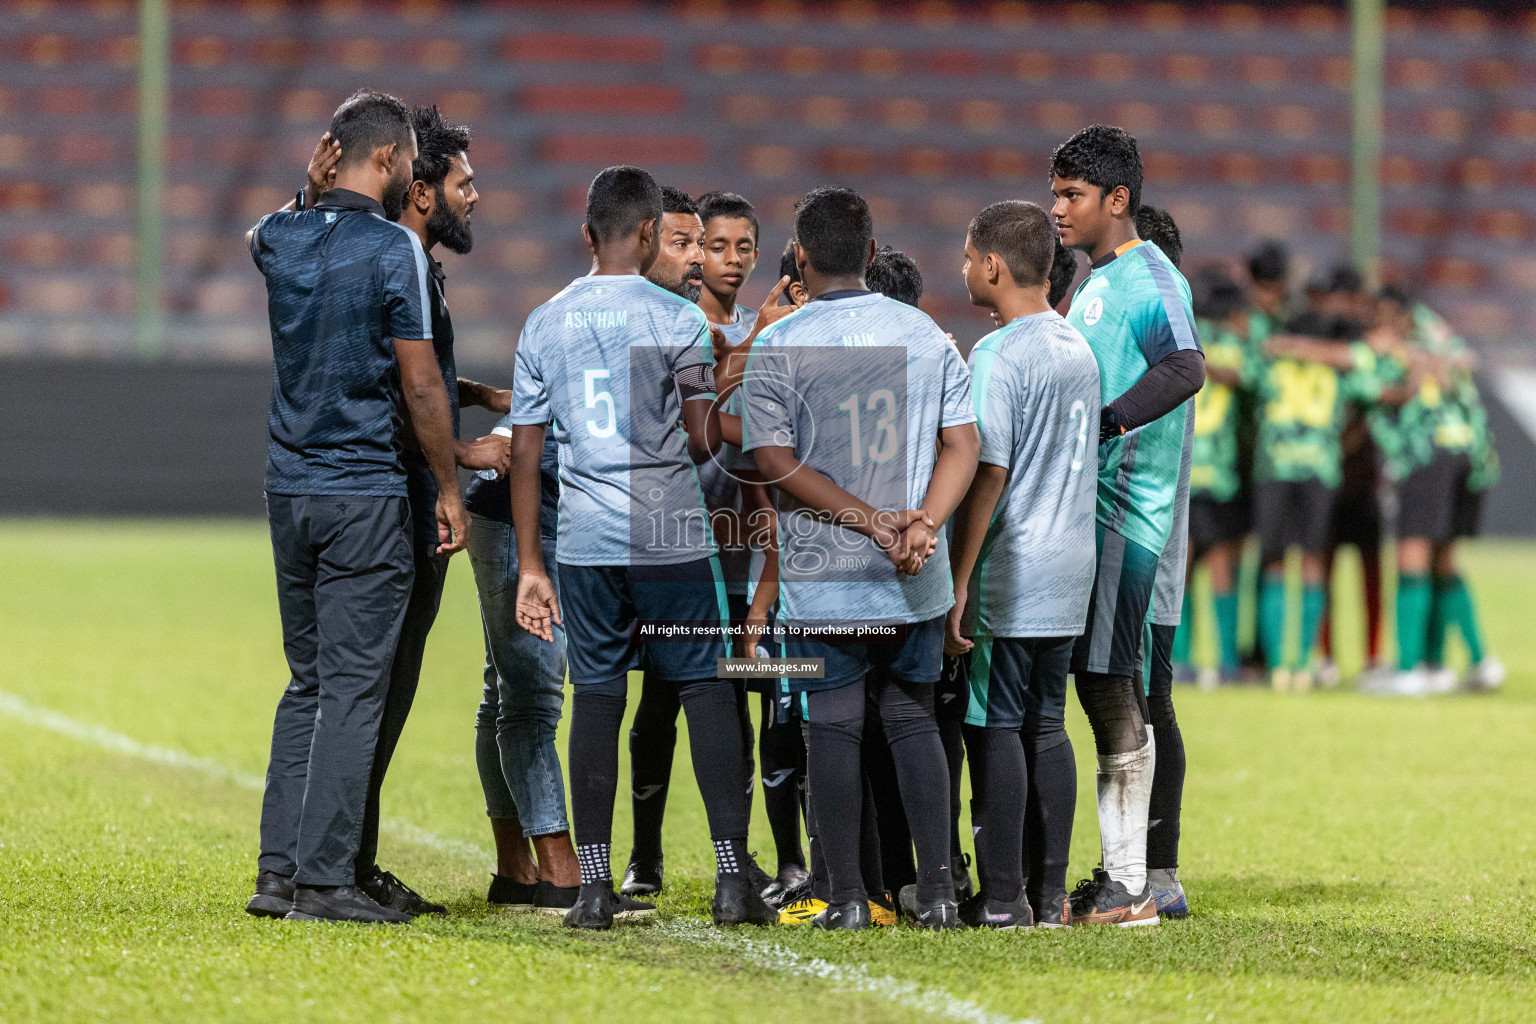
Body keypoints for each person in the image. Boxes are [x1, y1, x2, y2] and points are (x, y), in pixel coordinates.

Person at [508, 166, 774, 930]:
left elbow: (527, 456)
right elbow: (699, 438)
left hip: (587, 545)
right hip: (671, 538)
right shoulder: (677, 320)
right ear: (654, 234)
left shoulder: (543, 323)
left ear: (589, 234)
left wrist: (531, 564)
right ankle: (731, 879)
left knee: (596, 700)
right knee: (705, 692)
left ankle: (593, 889)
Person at [244, 90, 466, 925]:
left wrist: (304, 193)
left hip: (287, 490)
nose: (416, 170)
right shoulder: (392, 250)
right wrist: (448, 486)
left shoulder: (282, 234)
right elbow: (417, 381)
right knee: (353, 688)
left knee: (307, 683)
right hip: (363, 491)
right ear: (387, 159)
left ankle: (278, 874)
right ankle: (326, 880)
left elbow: (255, 236)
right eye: (408, 155)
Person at [741, 186, 979, 930]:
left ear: (801, 257)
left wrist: (871, 523)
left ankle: (847, 898)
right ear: (873, 254)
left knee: (832, 728)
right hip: (912, 579)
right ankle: (937, 893)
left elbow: (774, 462)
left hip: (826, 581)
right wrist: (921, 527)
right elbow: (963, 445)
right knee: (913, 722)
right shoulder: (927, 332)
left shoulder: (778, 344)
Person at [347, 105, 515, 918]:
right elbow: (399, 391)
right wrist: (466, 457)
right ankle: (345, 865)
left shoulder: (407, 262)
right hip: (400, 502)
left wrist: (476, 395)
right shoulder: (401, 262)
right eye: (463, 182)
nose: (475, 196)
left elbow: (417, 378)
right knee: (377, 690)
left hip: (395, 495)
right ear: (420, 192)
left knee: (379, 690)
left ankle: (347, 859)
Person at [1050, 124, 1203, 926]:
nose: (1058, 208)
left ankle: (1137, 881)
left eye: (1072, 194)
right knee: (1104, 683)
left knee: (1120, 688)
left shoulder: (1151, 278)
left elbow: (1186, 366)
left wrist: (1107, 423)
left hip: (1129, 518)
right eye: (1056, 193)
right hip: (1093, 512)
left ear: (1117, 199)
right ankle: (1129, 876)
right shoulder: (1095, 282)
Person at [946, 199, 1099, 928]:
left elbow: (988, 472)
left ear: (995, 266)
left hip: (1017, 565)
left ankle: (1002, 898)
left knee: (998, 724)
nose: (964, 268)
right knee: (1047, 723)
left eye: (969, 256)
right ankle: (1050, 895)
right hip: (1073, 563)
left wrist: (960, 579)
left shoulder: (999, 354)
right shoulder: (1077, 347)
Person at [621, 187, 773, 899]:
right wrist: (752, 345)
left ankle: (735, 854)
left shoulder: (760, 327)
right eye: (716, 246)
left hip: (742, 542)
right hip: (676, 538)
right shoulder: (673, 324)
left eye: (745, 247)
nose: (731, 260)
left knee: (737, 702)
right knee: (660, 699)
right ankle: (644, 854)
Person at [1252, 313, 1382, 689]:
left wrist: (1294, 347)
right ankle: (1298, 663)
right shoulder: (1336, 370)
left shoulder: (1273, 361)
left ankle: (1284, 665)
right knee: (1305, 562)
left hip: (1279, 469)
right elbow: (1372, 367)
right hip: (1311, 474)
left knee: (1284, 562)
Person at [1130, 203, 1194, 920]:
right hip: (1137, 552)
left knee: (1145, 705)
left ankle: (1158, 869)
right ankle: (1140, 864)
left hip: (1145, 555)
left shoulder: (1160, 326)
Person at [1184, 272, 1259, 684]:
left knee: (1181, 566)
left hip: (1187, 468)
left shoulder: (1184, 337)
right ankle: (1227, 661)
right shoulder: (1232, 341)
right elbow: (1249, 376)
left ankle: (1181, 661)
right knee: (1219, 564)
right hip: (1220, 471)